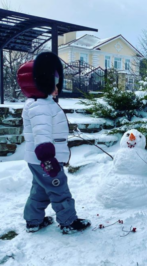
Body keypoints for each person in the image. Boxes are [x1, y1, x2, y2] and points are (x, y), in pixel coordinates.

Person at [17, 52, 91, 234]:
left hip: (38, 160)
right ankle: (68, 221)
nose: (57, 88)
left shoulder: (40, 103)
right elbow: (42, 135)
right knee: (59, 189)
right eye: (53, 84)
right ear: (41, 83)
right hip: (46, 159)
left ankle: (33, 221)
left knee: (40, 190)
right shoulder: (39, 106)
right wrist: (48, 160)